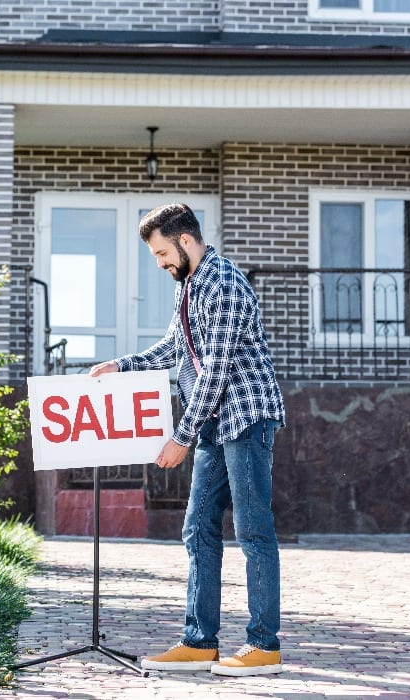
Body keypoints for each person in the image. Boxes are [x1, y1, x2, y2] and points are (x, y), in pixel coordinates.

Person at [89, 202, 286, 677]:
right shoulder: (191, 286)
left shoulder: (222, 282)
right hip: (215, 422)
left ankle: (264, 646)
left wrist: (181, 437)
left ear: (185, 240)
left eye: (161, 253)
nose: (159, 264)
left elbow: (215, 371)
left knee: (253, 530)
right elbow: (175, 349)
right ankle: (200, 642)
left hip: (245, 416)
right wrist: (122, 365)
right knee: (198, 528)